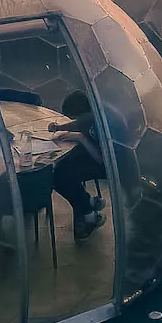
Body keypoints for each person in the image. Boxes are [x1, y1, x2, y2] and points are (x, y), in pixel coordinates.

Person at [47, 91, 107, 240]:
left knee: (61, 178)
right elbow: (79, 124)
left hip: (107, 166)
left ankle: (90, 216)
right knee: (60, 168)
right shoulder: (89, 118)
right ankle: (90, 202)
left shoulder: (104, 123)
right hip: (91, 152)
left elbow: (102, 159)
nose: (77, 122)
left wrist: (81, 138)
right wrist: (59, 127)